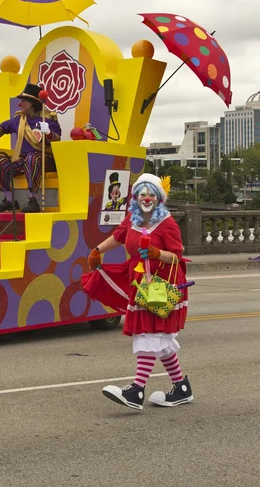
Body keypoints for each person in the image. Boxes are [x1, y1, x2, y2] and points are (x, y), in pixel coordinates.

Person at [84, 173, 193, 410]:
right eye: (142, 193)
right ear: (136, 196)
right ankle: (182, 387)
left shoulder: (168, 224)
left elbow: (177, 256)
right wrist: (97, 250)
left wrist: (156, 253)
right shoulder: (132, 218)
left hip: (159, 285)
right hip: (139, 279)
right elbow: (118, 236)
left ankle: (137, 390)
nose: (146, 198)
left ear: (158, 198)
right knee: (160, 338)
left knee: (148, 333)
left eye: (151, 194)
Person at [0, 83, 62, 213]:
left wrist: (48, 133)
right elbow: (2, 127)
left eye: (24, 101)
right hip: (24, 160)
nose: (21, 103)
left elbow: (57, 140)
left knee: (32, 158)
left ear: (32, 103)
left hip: (45, 159)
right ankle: (9, 199)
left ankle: (33, 199)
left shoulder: (48, 119)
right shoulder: (19, 120)